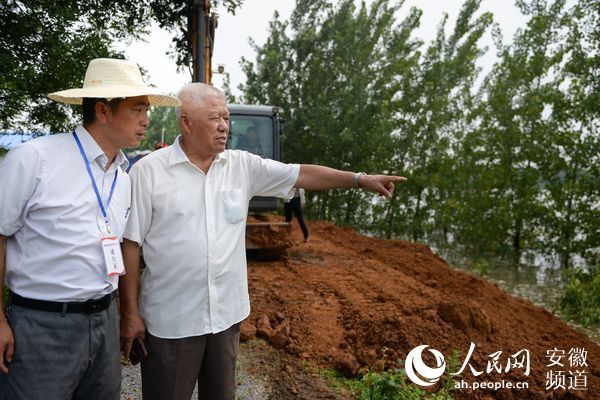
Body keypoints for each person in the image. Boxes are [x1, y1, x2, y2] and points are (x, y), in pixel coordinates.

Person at [119, 82, 406, 400]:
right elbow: (130, 244)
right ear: (186, 122)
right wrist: (130, 315)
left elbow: (301, 175)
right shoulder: (148, 173)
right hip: (171, 322)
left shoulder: (241, 166)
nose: (224, 126)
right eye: (215, 118)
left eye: (226, 117)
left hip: (225, 318)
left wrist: (359, 179)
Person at [0, 58, 180, 400]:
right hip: (42, 325)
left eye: (146, 110)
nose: (147, 119)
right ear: (103, 110)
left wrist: (127, 314)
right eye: (138, 109)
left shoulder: (123, 178)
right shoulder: (35, 160)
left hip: (103, 322)